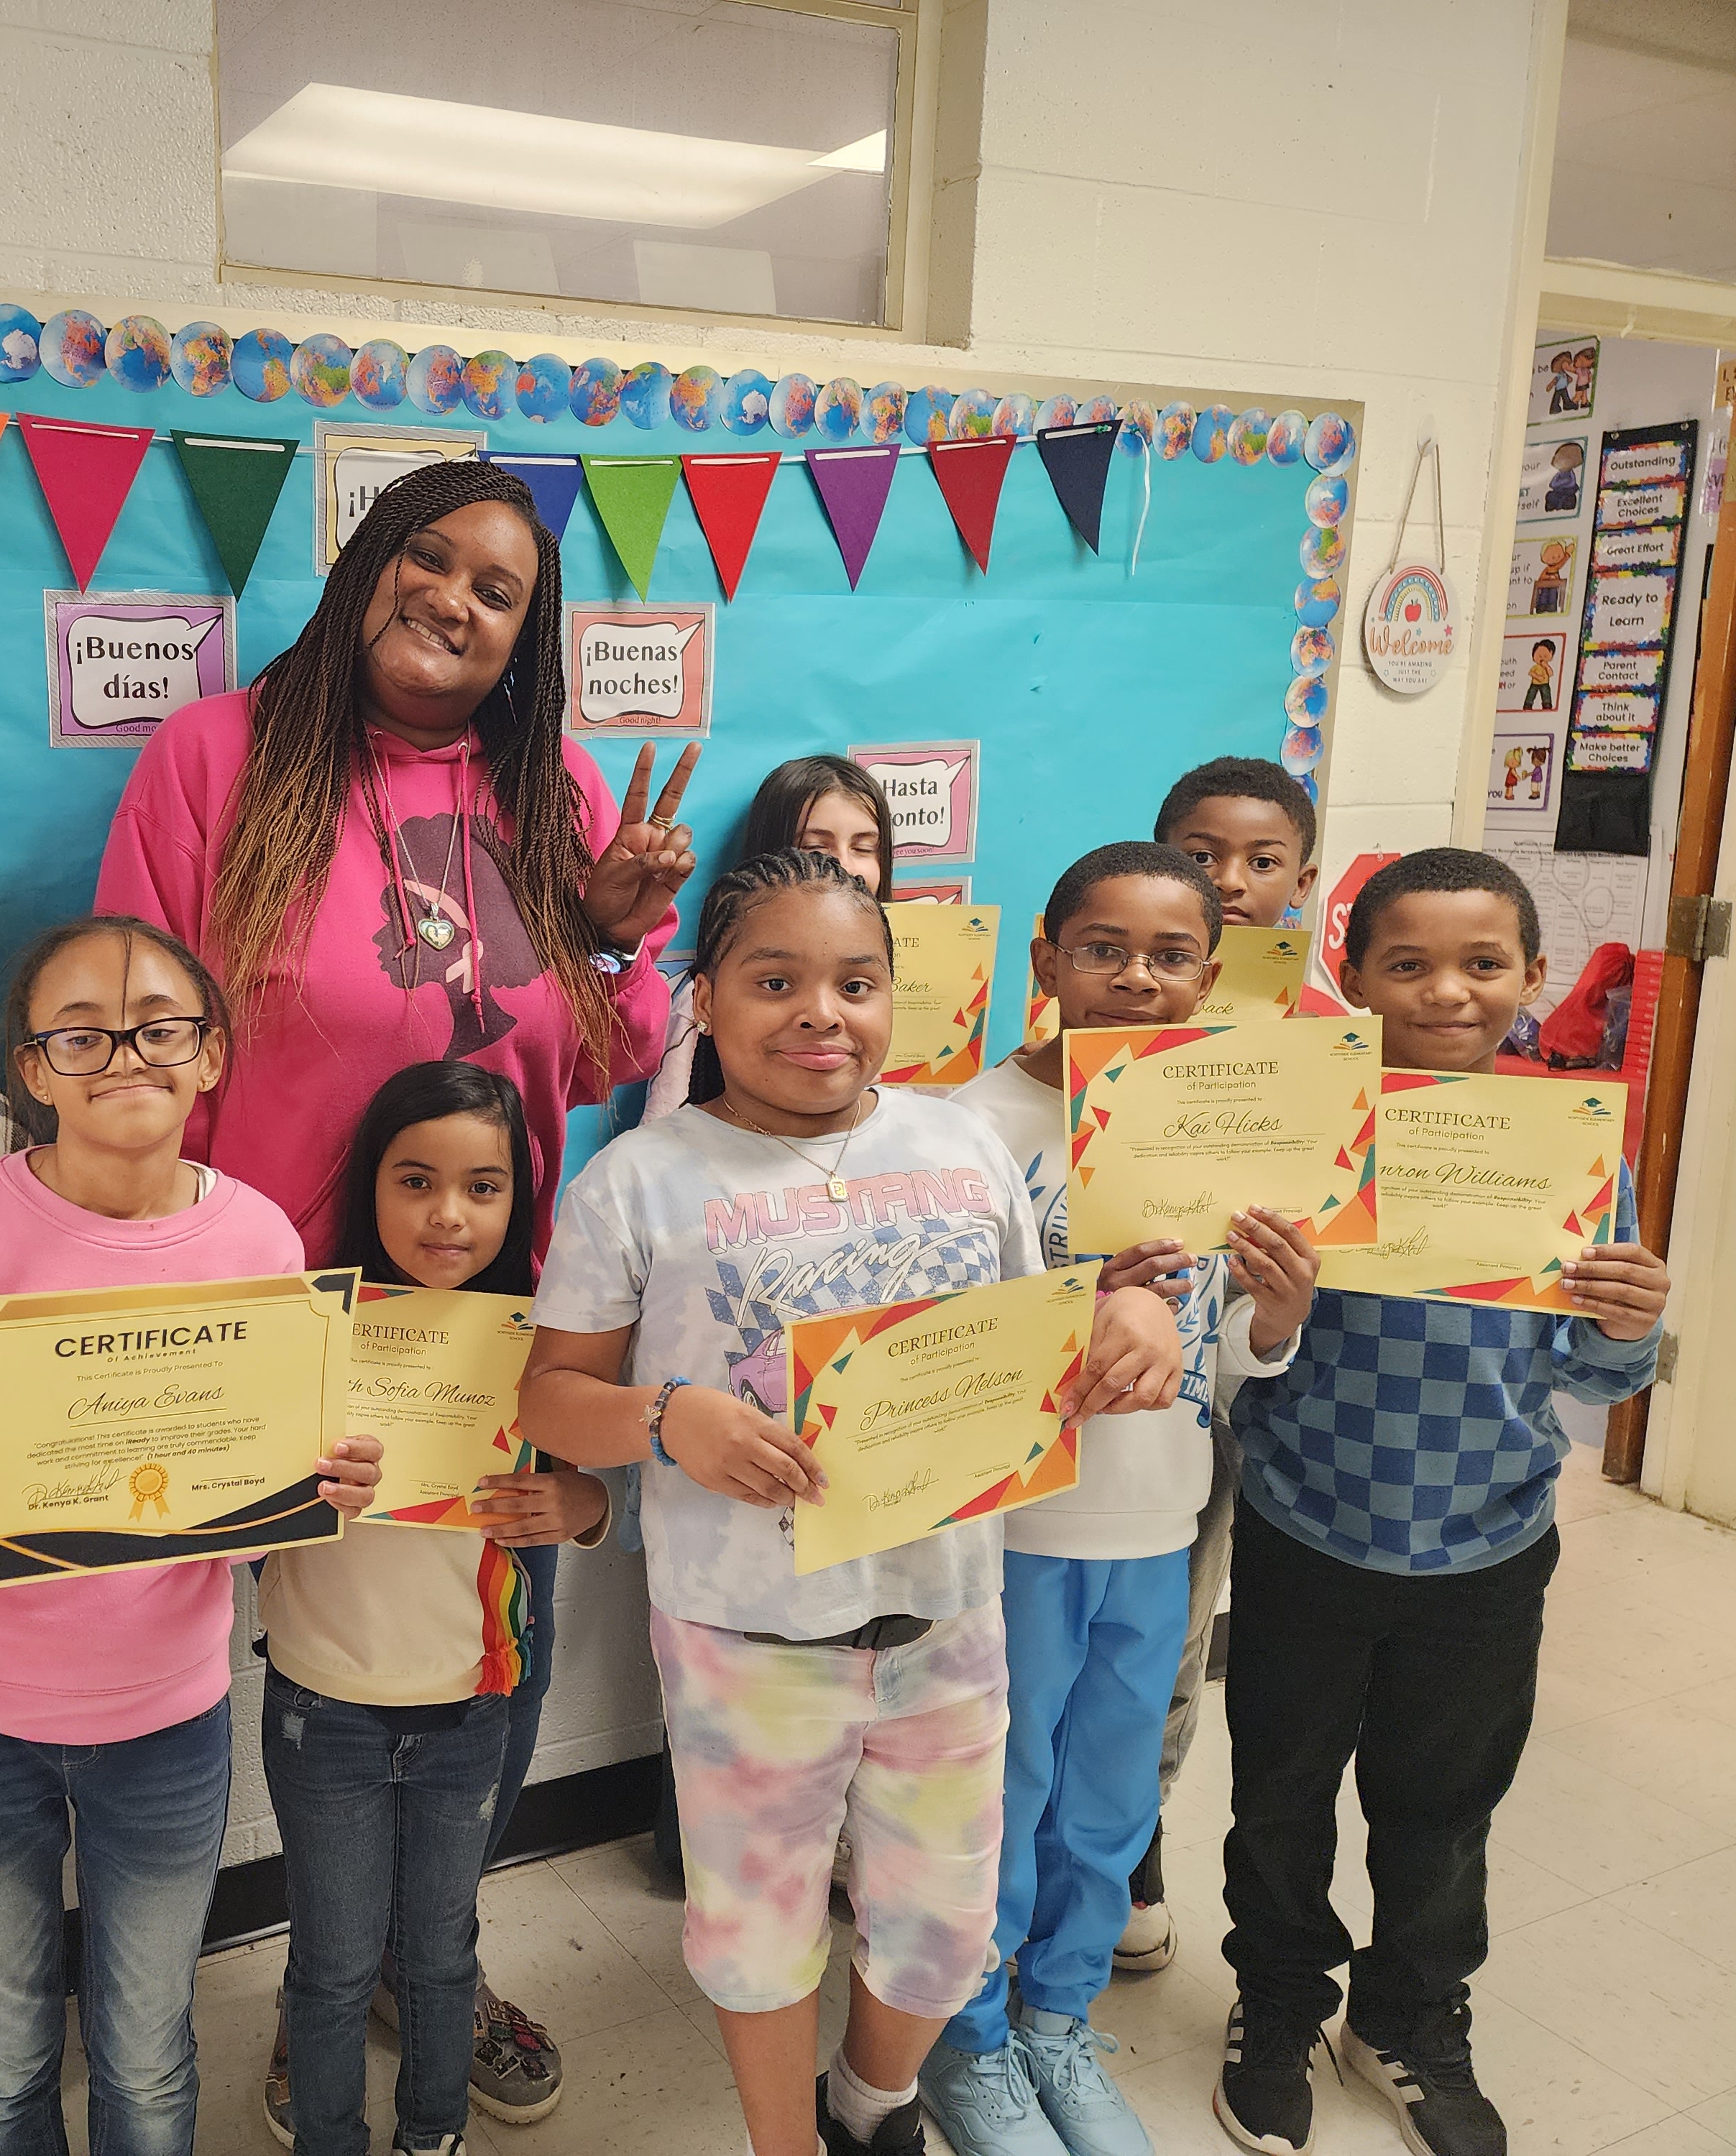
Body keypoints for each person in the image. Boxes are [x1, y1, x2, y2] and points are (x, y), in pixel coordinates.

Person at [98, 454, 693, 2117]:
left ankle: (442, 1954)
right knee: (329, 1692)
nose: (454, 598)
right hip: (285, 1331)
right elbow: (142, 1049)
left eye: (497, 589)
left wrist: (618, 936)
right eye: (429, 559)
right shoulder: (213, 759)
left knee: (481, 1664)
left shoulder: (548, 785)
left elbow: (610, 1045)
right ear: (366, 563)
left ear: (526, 636)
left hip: (491, 1333)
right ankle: (327, 1976)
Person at [515, 850, 1184, 2156]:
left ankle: (871, 2110)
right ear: (703, 995)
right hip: (746, 1645)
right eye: (776, 981)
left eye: (856, 983)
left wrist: (1131, 1315)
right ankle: (785, 2144)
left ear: (895, 998)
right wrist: (665, 1420)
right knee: (757, 1939)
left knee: (942, 1937)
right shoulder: (640, 1184)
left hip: (946, 1622)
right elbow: (549, 1399)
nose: (822, 1013)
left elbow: (1049, 1315)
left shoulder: (962, 1142)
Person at [0, 916, 387, 2156]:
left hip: (164, 1716)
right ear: (31, 1068)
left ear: (209, 1056)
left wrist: (316, 1490)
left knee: (148, 2055)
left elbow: (248, 1511)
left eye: (162, 1029)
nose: (126, 1056)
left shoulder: (256, 1240)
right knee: (2, 2056)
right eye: (82, 1034)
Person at [1214, 849, 1670, 2156]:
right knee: (1282, 1790)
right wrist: (1276, 1311)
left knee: (1444, 1805)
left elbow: (1588, 1365)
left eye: (1483, 965)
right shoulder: (1306, 1142)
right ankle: (1282, 1995)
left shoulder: (1573, 1158)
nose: (1446, 993)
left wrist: (1633, 1330)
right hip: (1310, 1530)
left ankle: (1409, 2017)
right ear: (1350, 979)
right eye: (1405, 964)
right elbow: (1244, 1353)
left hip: (1488, 1545)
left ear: (1532, 979)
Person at [916, 844, 1315, 2156]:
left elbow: (1240, 1350)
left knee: (1109, 1801)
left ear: (1211, 974)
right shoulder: (968, 1128)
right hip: (1018, 1532)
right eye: (1105, 949)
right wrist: (1074, 1302)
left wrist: (1281, 1319)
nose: (1138, 977)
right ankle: (968, 2044)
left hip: (1160, 1518)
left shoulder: (1223, 1118)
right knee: (1000, 1796)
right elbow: (935, 1350)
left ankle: (1057, 2022)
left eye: (1169, 957)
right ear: (1047, 962)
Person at [260, 1061, 615, 2155]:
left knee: (444, 1955)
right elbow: (224, 1516)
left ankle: (432, 2136)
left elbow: (597, 1491)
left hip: (471, 1709)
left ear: (520, 1197)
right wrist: (292, 1491)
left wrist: (583, 1503)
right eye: (415, 1181)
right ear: (371, 1183)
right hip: (325, 1708)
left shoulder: (541, 1347)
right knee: (327, 1964)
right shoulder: (310, 1330)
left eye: (483, 1187)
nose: (448, 1215)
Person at [1124, 757, 1336, 1974]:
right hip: (1132, 1388)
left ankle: (1135, 1833)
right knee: (1105, 1622)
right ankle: (1077, 1845)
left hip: (1274, 1378)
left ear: (1302, 882)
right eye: (1201, 855)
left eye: (1263, 863)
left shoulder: (1334, 1043)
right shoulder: (1111, 1007)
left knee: (1183, 1626)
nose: (1232, 883)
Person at [643, 754, 897, 1120]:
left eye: (863, 848)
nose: (843, 864)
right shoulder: (712, 993)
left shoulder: (930, 975)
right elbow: (667, 1132)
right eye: (816, 848)